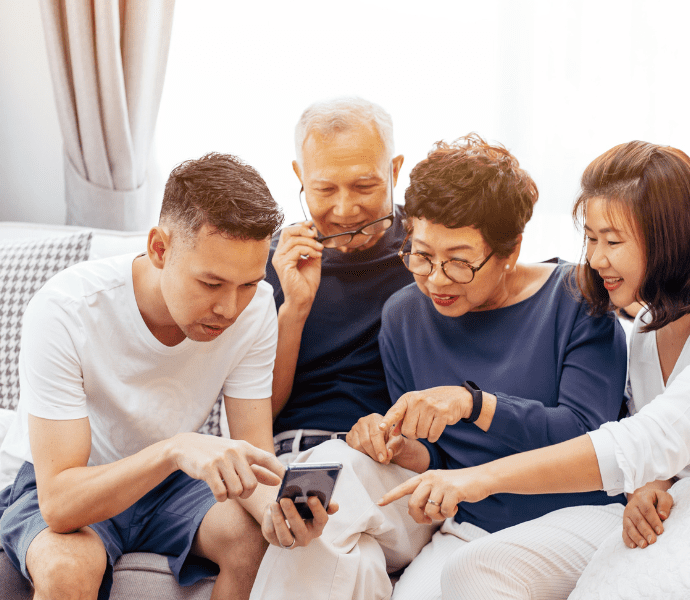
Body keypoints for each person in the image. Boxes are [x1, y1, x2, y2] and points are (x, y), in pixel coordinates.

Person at [379, 141, 690, 599]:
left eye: (612, 240)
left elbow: (648, 440)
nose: (595, 258)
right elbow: (670, 448)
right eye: (590, 238)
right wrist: (655, 483)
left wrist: (479, 478)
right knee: (472, 572)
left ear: (669, 240)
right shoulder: (650, 325)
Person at [251, 134, 628, 600]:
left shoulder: (577, 297)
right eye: (422, 256)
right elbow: (442, 459)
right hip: (470, 522)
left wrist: (475, 404)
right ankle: (284, 515)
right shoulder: (404, 314)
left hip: (577, 515)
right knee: (327, 496)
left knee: (475, 573)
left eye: (459, 263)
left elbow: (590, 439)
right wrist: (396, 444)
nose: (436, 280)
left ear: (509, 252)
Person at [0, 153, 330, 600]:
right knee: (69, 567)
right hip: (73, 481)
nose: (230, 309)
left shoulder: (256, 308)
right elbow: (59, 504)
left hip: (170, 488)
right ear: (159, 249)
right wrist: (175, 448)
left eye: (247, 283)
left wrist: (280, 512)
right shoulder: (66, 310)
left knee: (253, 543)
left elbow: (255, 454)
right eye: (211, 284)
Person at [257, 97, 416, 548]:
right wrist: (294, 309)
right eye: (324, 190)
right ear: (298, 178)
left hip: (378, 457)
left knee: (311, 543)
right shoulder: (269, 263)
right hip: (287, 457)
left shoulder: (429, 256)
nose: (345, 210)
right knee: (346, 562)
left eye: (364, 186)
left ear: (395, 169)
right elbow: (258, 411)